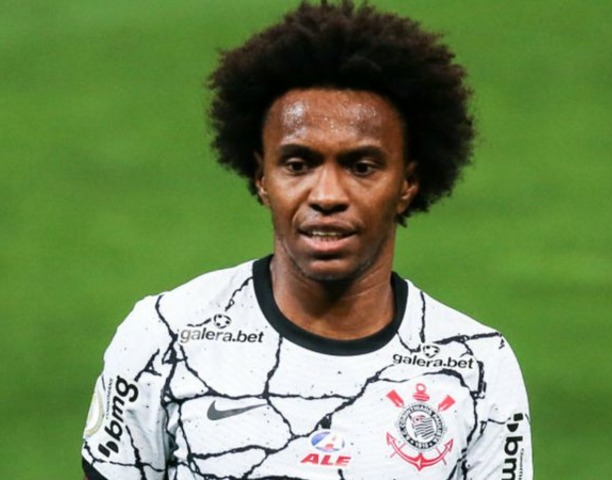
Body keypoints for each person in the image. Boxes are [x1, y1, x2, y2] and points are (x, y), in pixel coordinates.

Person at [81, 1, 533, 479]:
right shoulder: (167, 336)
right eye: (298, 165)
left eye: (361, 167)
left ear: (407, 183)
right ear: (262, 177)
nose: (327, 195)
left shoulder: (476, 366)